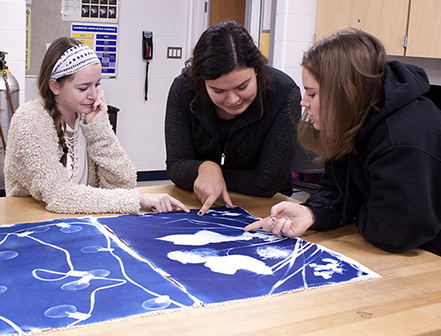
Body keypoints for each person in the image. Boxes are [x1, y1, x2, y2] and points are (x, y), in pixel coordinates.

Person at [245, 28, 441, 256]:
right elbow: (338, 190)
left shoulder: (403, 139)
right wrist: (312, 212)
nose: (303, 102)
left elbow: (392, 233)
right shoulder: (354, 118)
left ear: (347, 92)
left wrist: (354, 208)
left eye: (312, 93)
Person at [4, 37, 189, 214]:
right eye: (83, 88)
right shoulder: (30, 120)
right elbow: (58, 196)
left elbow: (123, 183)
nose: (94, 95)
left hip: (78, 219)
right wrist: (138, 199)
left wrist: (98, 129)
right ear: (55, 86)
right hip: (32, 223)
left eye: (97, 84)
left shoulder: (86, 116)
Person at [165, 21, 301, 216]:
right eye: (218, 90)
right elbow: (176, 165)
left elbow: (266, 183)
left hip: (265, 207)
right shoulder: (184, 90)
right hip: (199, 202)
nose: (233, 99)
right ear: (201, 82)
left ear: (257, 70)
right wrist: (206, 168)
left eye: (242, 86)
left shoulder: (283, 93)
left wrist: (213, 174)